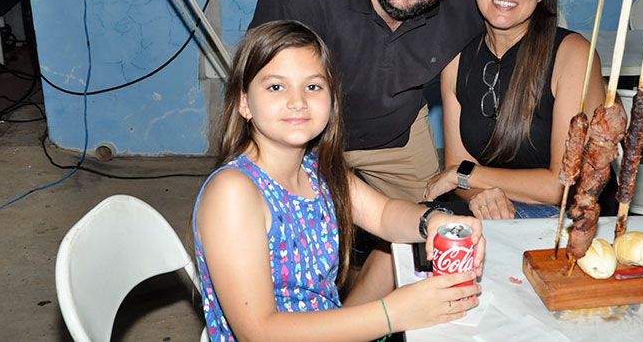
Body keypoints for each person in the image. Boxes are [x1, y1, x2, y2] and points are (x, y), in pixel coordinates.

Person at [192, 20, 485, 341]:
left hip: (324, 324)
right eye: (276, 87)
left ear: (331, 100)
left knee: (400, 258)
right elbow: (258, 332)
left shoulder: (317, 169)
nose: (297, 101)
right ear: (244, 102)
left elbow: (383, 215)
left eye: (313, 87)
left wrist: (435, 221)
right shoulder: (233, 192)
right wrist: (393, 313)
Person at [249, 0, 482, 203]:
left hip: (397, 132)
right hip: (304, 134)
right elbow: (258, 91)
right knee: (276, 222)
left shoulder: (469, 0)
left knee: (427, 223)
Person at [424, 0, 612, 219]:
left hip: (566, 218)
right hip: (492, 210)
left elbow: (562, 185)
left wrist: (469, 176)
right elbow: (456, 170)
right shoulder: (456, 59)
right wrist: (482, 196)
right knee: (412, 232)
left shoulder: (573, 55)